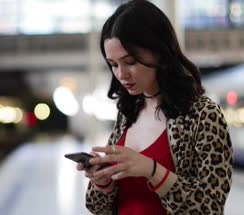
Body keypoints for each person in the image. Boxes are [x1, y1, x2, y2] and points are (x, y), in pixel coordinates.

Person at [76, 0, 233, 214]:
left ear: (159, 51)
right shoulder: (128, 113)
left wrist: (152, 170)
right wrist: (103, 181)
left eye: (130, 61)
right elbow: (98, 208)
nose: (121, 75)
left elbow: (209, 207)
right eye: (113, 65)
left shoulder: (203, 115)